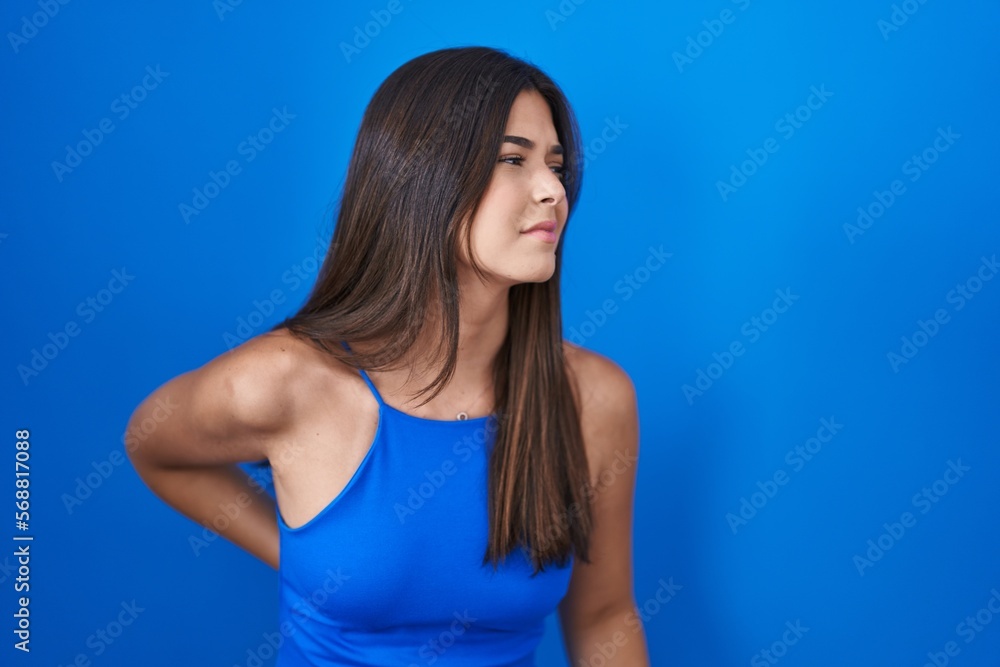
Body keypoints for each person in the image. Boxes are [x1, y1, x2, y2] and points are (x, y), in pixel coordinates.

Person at [126, 45, 649, 666]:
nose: (552, 191)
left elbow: (603, 615)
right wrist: (295, 553)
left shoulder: (594, 398)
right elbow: (152, 444)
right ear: (420, 177)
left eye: (556, 166)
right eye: (513, 159)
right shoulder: (282, 382)